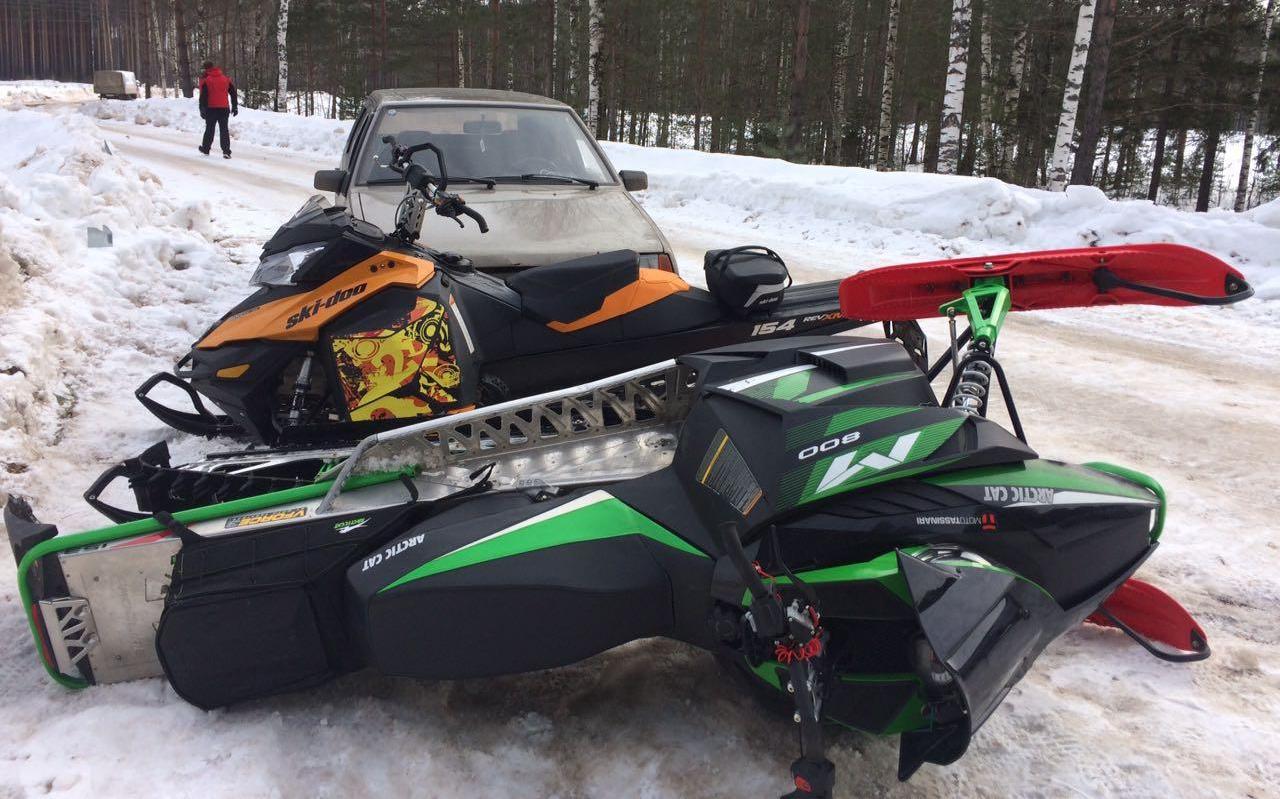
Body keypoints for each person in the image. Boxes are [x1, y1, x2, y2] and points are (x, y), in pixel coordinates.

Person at [197, 61, 238, 159]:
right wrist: (235, 106)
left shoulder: (207, 80)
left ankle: (206, 149)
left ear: (206, 69)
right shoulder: (225, 79)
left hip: (211, 108)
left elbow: (203, 97)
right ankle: (226, 151)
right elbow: (233, 93)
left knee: (210, 129)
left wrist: (202, 108)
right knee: (224, 130)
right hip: (224, 108)